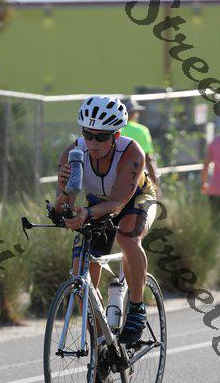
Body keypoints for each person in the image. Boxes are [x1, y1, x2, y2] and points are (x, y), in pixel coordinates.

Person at [53, 95, 158, 353]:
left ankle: (137, 307)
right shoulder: (72, 153)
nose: (93, 143)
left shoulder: (131, 152)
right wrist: (64, 192)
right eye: (88, 135)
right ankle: (102, 345)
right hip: (96, 204)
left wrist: (86, 213)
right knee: (81, 271)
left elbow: (118, 204)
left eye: (101, 137)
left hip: (136, 198)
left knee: (127, 237)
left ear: (116, 135)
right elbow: (63, 206)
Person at [120, 97, 162, 199]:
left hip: (117, 179)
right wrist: (156, 185)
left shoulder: (114, 130)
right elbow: (148, 159)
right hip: (139, 179)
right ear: (134, 113)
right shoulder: (142, 130)